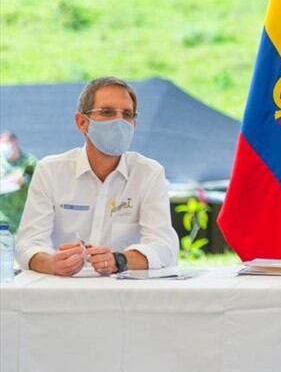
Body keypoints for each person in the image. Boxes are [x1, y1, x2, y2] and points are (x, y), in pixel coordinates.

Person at [16, 77, 178, 276]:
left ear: (134, 124)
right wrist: (51, 263)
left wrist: (120, 260)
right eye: (107, 112)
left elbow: (163, 246)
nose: (119, 122)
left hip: (127, 297)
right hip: (62, 294)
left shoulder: (149, 173)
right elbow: (27, 244)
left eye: (126, 114)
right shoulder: (51, 171)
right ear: (82, 122)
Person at [0, 131, 37, 233]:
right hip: (1, 220)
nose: (3, 148)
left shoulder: (29, 162)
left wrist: (20, 179)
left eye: (5, 144)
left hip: (19, 222)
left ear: (15, 142)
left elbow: (23, 180)